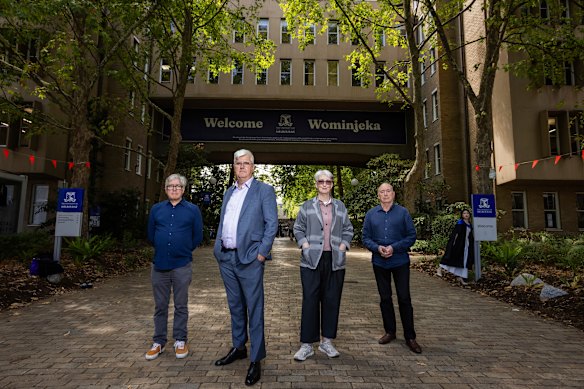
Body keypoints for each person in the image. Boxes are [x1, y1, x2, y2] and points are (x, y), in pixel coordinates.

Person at [213, 149, 278, 386]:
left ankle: (256, 358)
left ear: (253, 166)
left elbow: (272, 225)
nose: (241, 167)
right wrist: (217, 250)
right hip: (227, 259)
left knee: (254, 309)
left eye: (246, 163)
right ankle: (239, 347)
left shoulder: (264, 191)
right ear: (233, 166)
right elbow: (223, 222)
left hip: (250, 259)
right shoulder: (228, 192)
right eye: (237, 163)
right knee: (235, 306)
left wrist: (262, 253)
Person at [292, 170, 354, 362]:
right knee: (310, 300)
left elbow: (348, 228)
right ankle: (307, 345)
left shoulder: (340, 206)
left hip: (334, 259)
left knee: (331, 300)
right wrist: (305, 245)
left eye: (328, 181)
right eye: (321, 181)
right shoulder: (307, 205)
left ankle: (326, 342)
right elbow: (298, 227)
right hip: (311, 259)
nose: (325, 184)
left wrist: (343, 246)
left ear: (332, 184)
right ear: (316, 184)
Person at [145, 173, 203, 360]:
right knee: (160, 306)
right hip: (159, 265)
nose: (174, 189)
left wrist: (183, 250)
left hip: (181, 265)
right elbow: (151, 235)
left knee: (181, 305)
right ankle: (159, 342)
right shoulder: (156, 209)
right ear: (165, 189)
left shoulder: (193, 210)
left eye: (178, 186)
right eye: (171, 186)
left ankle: (180, 340)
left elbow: (197, 236)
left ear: (183, 190)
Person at [362, 183, 421, 354]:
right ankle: (390, 332)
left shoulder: (403, 213)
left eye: (388, 191)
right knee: (385, 298)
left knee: (404, 298)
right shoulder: (371, 214)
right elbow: (365, 238)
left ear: (393, 194)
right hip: (379, 263)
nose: (385, 194)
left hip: (400, 261)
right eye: (382, 192)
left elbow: (411, 236)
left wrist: (394, 247)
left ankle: (410, 337)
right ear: (378, 195)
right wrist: (377, 248)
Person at [437, 209, 474, 285]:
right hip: (459, 244)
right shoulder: (460, 223)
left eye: (467, 213)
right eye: (464, 213)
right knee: (452, 257)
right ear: (462, 215)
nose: (466, 215)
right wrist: (453, 243)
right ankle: (440, 268)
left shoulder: (469, 224)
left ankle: (461, 278)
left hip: (466, 245)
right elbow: (456, 234)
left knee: (464, 261)